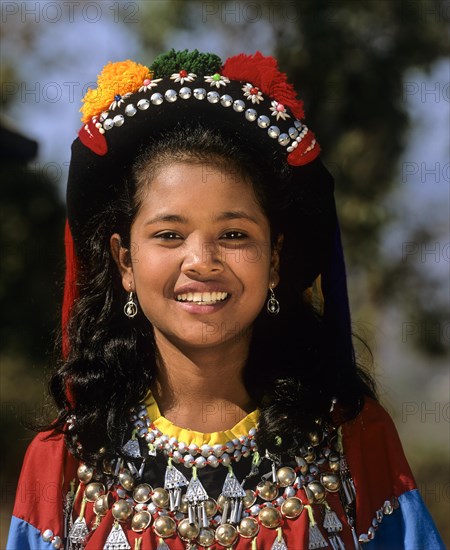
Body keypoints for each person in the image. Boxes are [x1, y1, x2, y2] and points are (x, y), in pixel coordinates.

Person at [7, 50, 444, 550]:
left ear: (274, 260)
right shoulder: (64, 459)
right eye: (169, 235)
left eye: (234, 234)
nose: (202, 261)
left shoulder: (355, 441)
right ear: (124, 262)